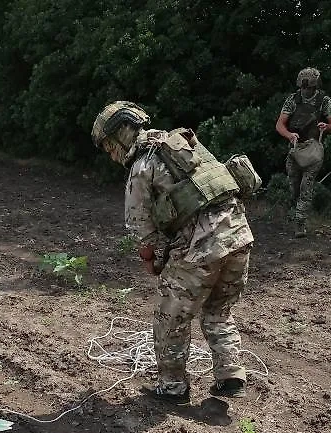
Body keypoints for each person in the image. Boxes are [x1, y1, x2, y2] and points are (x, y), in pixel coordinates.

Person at [91, 101, 254, 403]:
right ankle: (231, 376)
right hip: (239, 237)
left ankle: (172, 386)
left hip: (199, 250)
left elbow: (141, 229)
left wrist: (152, 262)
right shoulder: (186, 142)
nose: (110, 154)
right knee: (218, 310)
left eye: (108, 146)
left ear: (120, 136)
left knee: (170, 319)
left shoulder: (142, 166)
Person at [275, 67, 331, 237]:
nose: (306, 91)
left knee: (306, 186)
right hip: (295, 149)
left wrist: (326, 127)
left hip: (312, 150)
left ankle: (300, 223)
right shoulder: (293, 99)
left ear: (315, 86)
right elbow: (280, 124)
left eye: (309, 88)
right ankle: (295, 212)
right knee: (294, 187)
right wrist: (289, 135)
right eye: (304, 87)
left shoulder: (323, 101)